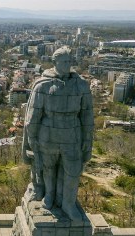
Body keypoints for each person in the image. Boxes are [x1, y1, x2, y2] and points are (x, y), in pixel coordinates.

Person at [22, 46, 94, 221]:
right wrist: (32, 139)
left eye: (69, 61)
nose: (67, 65)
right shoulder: (43, 85)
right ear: (54, 62)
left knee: (72, 171)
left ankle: (68, 203)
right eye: (63, 62)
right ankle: (50, 196)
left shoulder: (81, 86)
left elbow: (87, 114)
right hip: (48, 135)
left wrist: (87, 137)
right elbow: (33, 116)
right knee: (48, 168)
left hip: (72, 134)